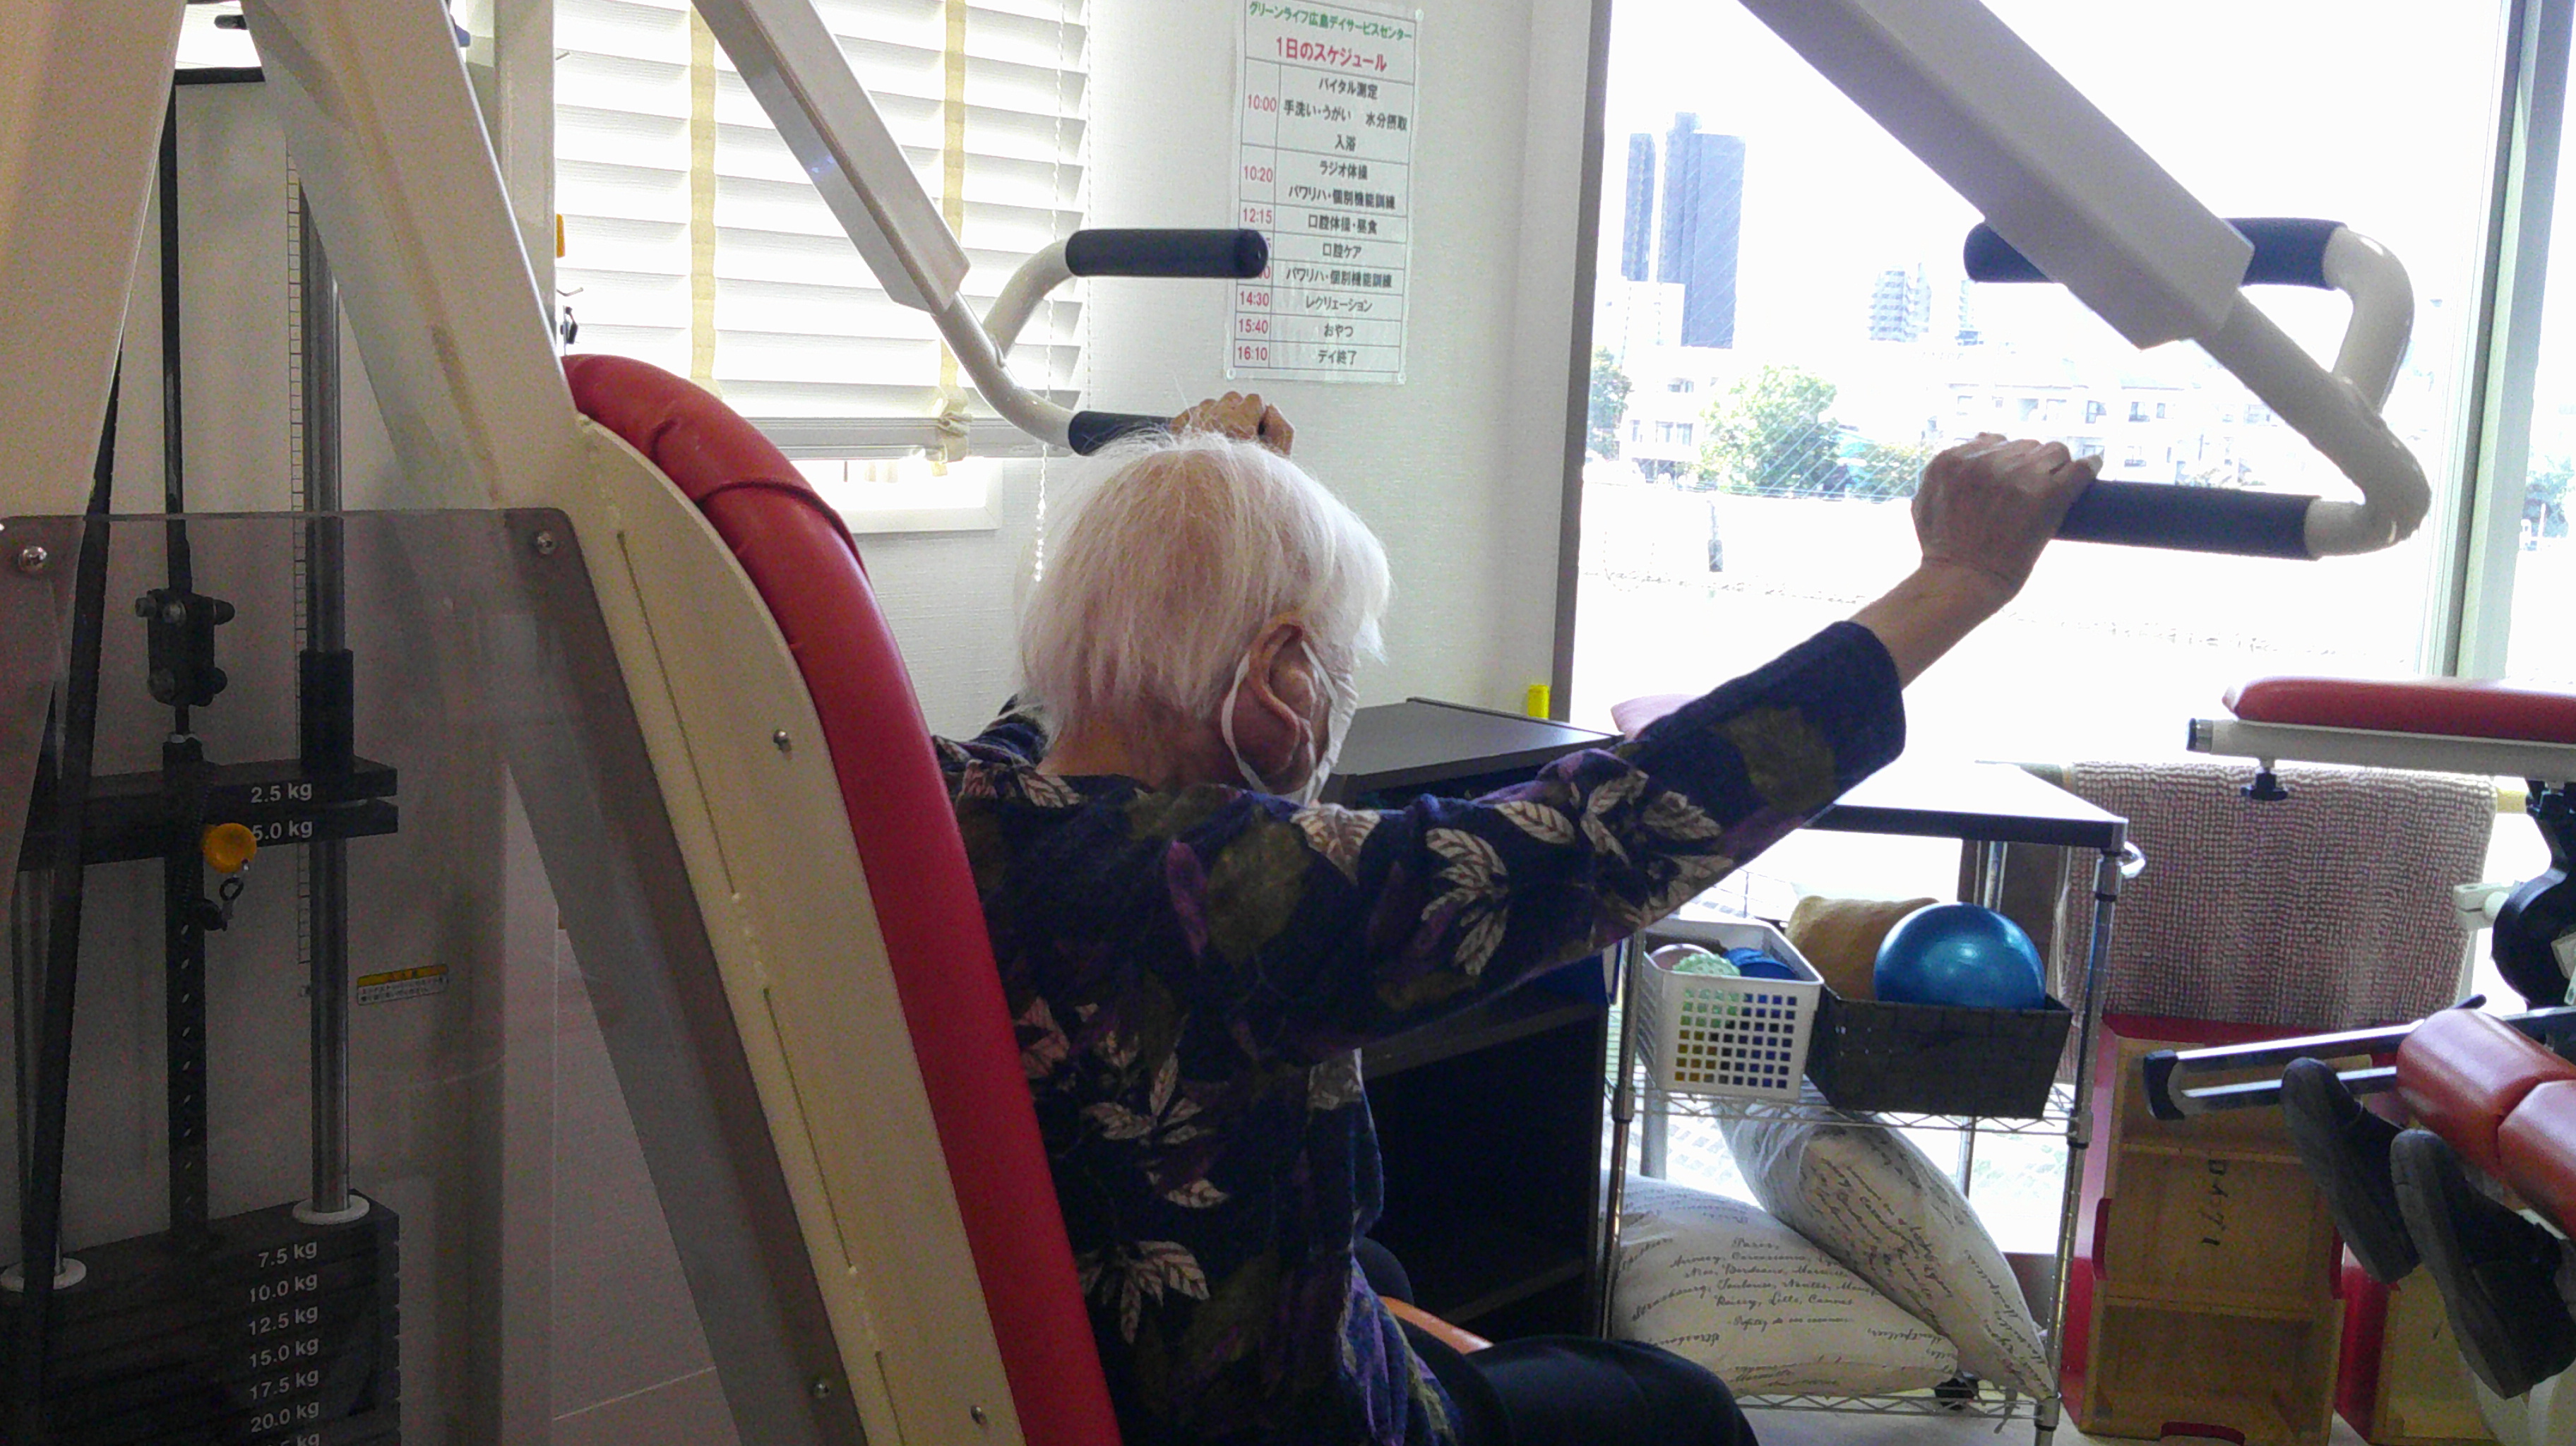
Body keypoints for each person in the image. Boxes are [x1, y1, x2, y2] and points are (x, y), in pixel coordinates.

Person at [937, 393, 2099, 1446]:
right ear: (1282, 679)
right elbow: (1613, 826)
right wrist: (1959, 580)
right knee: (1676, 1408)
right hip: (1273, 1416)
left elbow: (1063, 706)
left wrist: (1186, 527)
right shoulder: (1227, 890)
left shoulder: (948, 803)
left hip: (1092, 1332)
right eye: (1334, 667)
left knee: (1383, 1261)